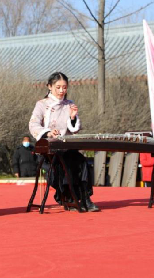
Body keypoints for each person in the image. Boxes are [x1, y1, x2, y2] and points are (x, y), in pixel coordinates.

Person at [29, 72, 99, 212]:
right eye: (58, 87)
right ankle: (69, 196)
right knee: (64, 164)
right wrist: (48, 132)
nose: (62, 91)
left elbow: (74, 130)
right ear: (50, 86)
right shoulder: (42, 104)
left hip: (67, 147)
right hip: (50, 150)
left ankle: (85, 197)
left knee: (82, 162)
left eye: (64, 87)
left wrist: (72, 117)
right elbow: (33, 125)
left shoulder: (69, 104)